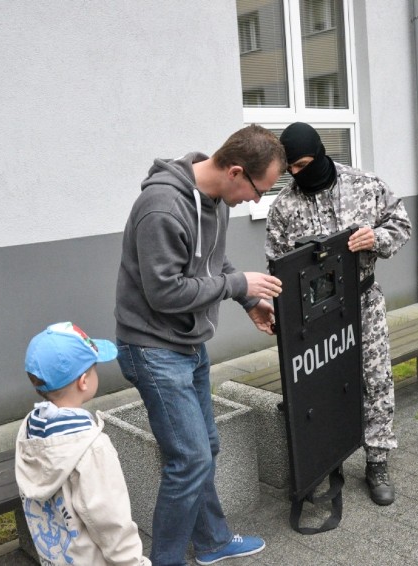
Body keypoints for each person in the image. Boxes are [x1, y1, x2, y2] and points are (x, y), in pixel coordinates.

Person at [115, 124, 285, 566]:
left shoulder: (214, 201)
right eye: (257, 190)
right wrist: (236, 284)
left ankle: (211, 542)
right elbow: (165, 293)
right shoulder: (162, 208)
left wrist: (248, 299)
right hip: (153, 348)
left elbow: (212, 260)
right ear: (234, 172)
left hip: (188, 344)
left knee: (203, 448)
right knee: (188, 459)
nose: (256, 201)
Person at [265, 122, 412, 506]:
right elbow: (276, 263)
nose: (297, 175)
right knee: (318, 387)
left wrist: (375, 239)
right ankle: (322, 460)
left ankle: (377, 460)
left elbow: (401, 223)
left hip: (361, 301)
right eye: (290, 169)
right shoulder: (284, 206)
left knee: (375, 380)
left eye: (302, 165)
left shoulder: (363, 184)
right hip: (314, 317)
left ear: (319, 152)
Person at [16, 321, 150, 566]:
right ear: (83, 381)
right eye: (94, 368)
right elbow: (110, 520)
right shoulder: (92, 447)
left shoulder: (28, 429)